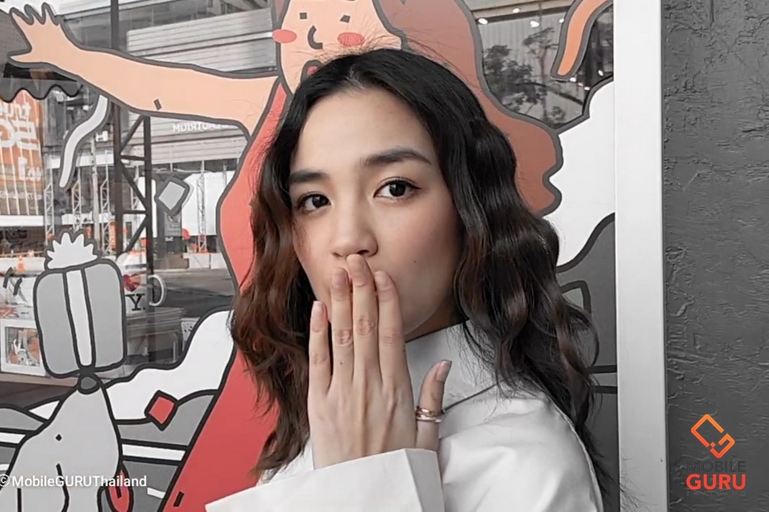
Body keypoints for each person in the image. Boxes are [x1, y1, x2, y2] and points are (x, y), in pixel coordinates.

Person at [209, 48, 608, 511]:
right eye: (315, 200)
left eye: (395, 188)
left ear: (470, 211)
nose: (348, 239)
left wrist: (368, 484)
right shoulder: (313, 423)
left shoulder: (525, 465)